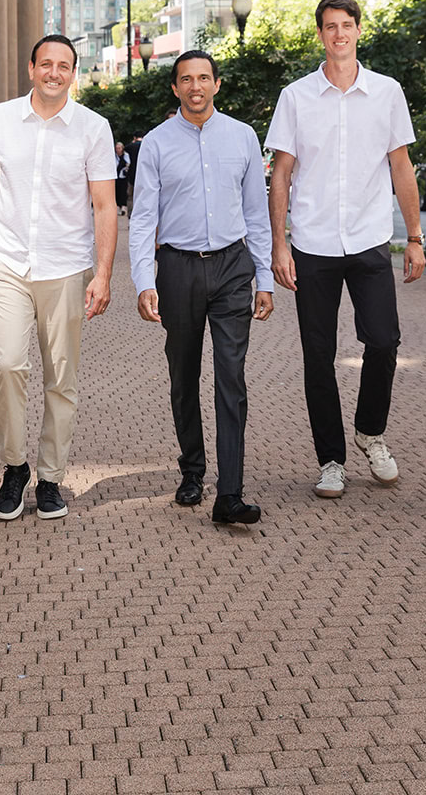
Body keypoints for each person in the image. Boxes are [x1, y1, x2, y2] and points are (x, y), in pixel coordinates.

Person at [265, 0, 425, 500]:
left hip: (369, 239)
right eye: (330, 27)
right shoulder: (296, 96)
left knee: (384, 342)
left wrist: (415, 238)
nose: (339, 34)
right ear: (320, 35)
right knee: (319, 355)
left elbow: (402, 168)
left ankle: (370, 432)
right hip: (312, 243)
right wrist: (279, 244)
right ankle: (331, 458)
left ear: (359, 31)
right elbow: (281, 174)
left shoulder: (387, 92)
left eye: (347, 25)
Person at [0, 35, 117, 523]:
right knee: (7, 362)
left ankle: (50, 477)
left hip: (66, 266)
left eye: (65, 66)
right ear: (31, 67)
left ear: (74, 73)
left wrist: (103, 274)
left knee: (62, 379)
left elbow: (103, 206)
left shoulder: (93, 129)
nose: (55, 72)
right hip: (7, 263)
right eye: (46, 64)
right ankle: (15, 467)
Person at [129, 50, 273, 525]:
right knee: (183, 375)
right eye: (186, 79)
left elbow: (257, 212)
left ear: (216, 84)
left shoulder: (243, 137)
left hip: (233, 267)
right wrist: (144, 281)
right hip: (178, 268)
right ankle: (192, 469)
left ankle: (229, 492)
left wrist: (264, 278)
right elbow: (144, 217)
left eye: (204, 77)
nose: (196, 86)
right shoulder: (155, 143)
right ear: (175, 88)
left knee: (231, 376)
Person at [115, 142, 130, 215]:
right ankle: (117, 206)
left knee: (123, 192)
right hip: (116, 176)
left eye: (119, 148)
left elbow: (128, 164)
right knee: (116, 191)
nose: (118, 150)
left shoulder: (126, 155)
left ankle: (123, 207)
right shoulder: (114, 156)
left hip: (123, 176)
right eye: (116, 148)